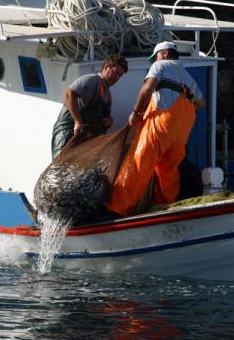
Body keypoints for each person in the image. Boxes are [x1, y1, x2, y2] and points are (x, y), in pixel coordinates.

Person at [107, 41, 205, 216]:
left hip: (161, 122)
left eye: (156, 56)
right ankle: (165, 206)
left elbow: (147, 88)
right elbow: (200, 103)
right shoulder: (188, 76)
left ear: (165, 53)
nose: (154, 61)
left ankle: (117, 208)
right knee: (169, 170)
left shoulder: (160, 65)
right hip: (181, 131)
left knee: (139, 162)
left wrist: (136, 112)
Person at [51, 54, 128, 158]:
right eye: (115, 72)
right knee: (60, 162)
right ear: (106, 67)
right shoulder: (92, 80)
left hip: (83, 135)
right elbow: (68, 94)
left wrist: (109, 120)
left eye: (120, 75)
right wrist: (77, 121)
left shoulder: (108, 95)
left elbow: (104, 118)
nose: (117, 77)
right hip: (66, 132)